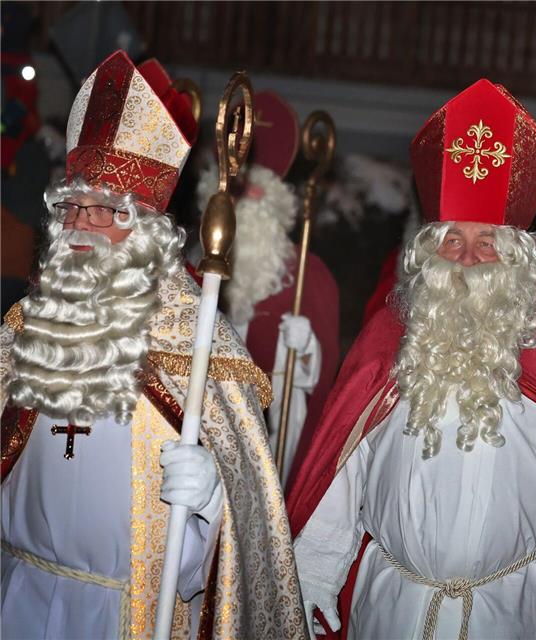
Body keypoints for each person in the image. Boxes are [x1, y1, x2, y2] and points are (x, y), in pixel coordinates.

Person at [286, 79, 536, 639]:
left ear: (516, 257)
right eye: (452, 240)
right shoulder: (390, 338)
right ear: (428, 250)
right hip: (390, 606)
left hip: (510, 611)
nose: (468, 258)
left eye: (488, 242)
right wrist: (314, 568)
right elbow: (344, 467)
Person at [0, 51, 305, 638]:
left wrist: (212, 500)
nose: (81, 223)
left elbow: (249, 509)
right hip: (15, 592)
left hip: (123, 614)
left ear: (144, 226)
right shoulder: (24, 329)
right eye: (72, 205)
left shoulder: (198, 345)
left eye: (105, 210)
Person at [192, 91, 340, 485]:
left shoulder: (309, 275)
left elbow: (324, 377)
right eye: (233, 197)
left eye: (252, 195)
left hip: (271, 434)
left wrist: (306, 350)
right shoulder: (194, 266)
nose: (241, 207)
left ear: (273, 205)